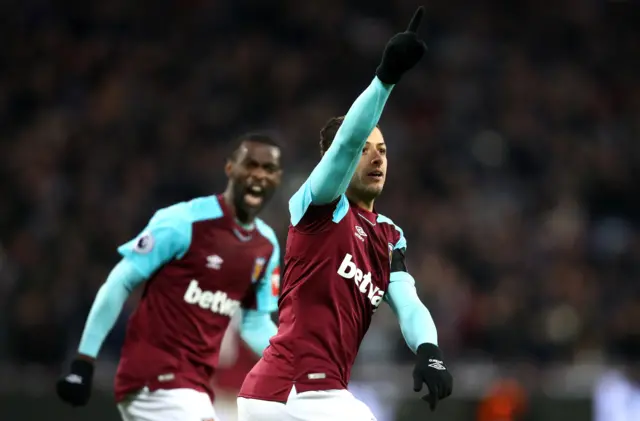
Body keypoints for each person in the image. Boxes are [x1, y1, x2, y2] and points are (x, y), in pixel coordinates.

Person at [237, 7, 453, 421]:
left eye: (384, 151)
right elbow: (345, 143)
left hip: (297, 396)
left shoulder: (389, 237)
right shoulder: (317, 206)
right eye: (365, 150)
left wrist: (430, 351)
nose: (376, 158)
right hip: (294, 390)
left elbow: (408, 304)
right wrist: (385, 78)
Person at [56, 132, 284, 421]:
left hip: (195, 389)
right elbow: (120, 281)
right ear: (230, 168)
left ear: (278, 178)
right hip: (153, 380)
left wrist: (292, 364)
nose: (258, 175)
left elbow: (254, 324)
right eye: (250, 165)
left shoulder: (265, 245)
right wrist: (84, 361)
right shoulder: (184, 222)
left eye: (268, 169)